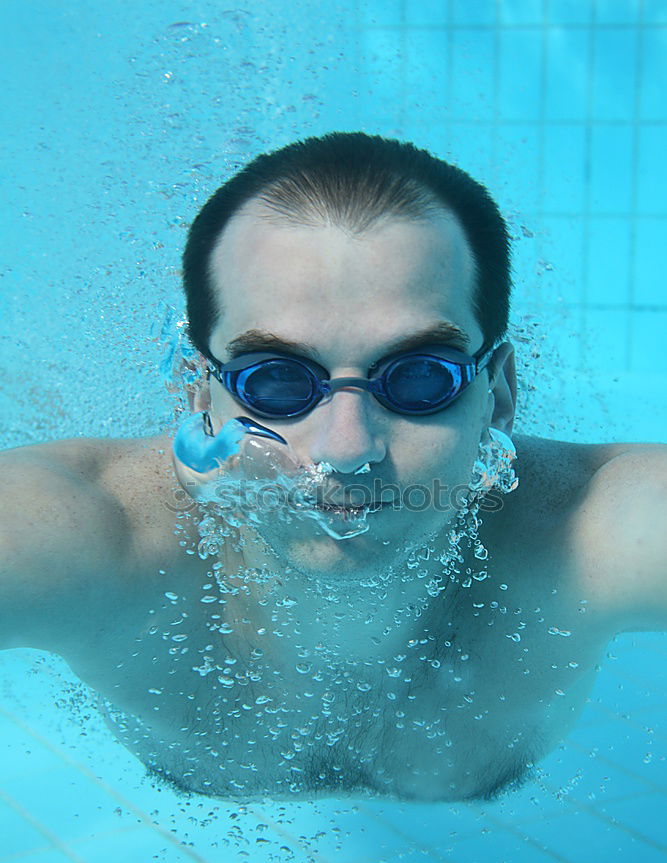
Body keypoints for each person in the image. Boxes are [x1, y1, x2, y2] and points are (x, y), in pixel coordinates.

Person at [1, 132, 665, 802]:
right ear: (198, 395)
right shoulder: (98, 538)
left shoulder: (583, 533)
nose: (345, 449)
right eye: (278, 382)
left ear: (496, 395)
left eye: (419, 378)